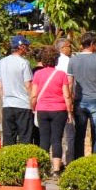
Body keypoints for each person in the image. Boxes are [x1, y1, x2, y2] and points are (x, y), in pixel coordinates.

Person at [68, 32, 96, 159]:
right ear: (92, 44)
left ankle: (78, 161)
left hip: (79, 100)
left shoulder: (73, 60)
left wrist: (70, 100)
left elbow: (70, 83)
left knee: (79, 133)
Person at [30, 45, 73, 173]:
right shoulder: (61, 75)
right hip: (59, 109)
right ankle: (56, 168)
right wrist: (69, 111)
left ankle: (43, 168)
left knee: (44, 138)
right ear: (56, 60)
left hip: (42, 109)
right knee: (56, 139)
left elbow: (33, 95)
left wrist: (33, 107)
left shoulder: (37, 74)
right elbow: (67, 95)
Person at [0, 35, 34, 146]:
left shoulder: (2, 62)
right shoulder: (24, 63)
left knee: (8, 137)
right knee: (25, 138)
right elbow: (28, 84)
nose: (27, 48)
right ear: (21, 47)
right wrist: (33, 103)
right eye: (26, 45)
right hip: (23, 105)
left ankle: (9, 161)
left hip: (8, 105)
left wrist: (4, 99)